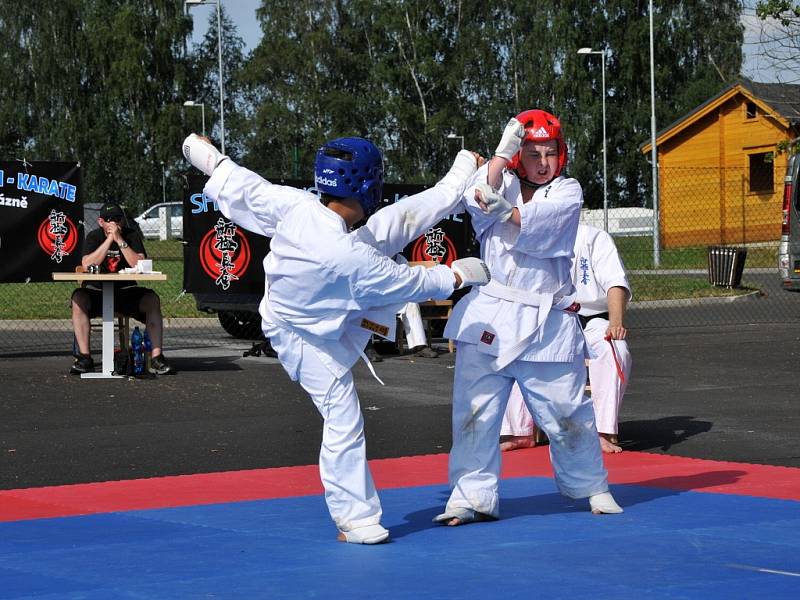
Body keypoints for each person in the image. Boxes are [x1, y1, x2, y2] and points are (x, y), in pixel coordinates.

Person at [182, 133, 490, 545]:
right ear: (368, 184)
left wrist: (205, 154)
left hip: (323, 314)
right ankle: (356, 520)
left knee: (392, 224)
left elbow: (241, 184)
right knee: (343, 416)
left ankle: (459, 173)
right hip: (300, 338)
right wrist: (459, 274)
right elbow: (410, 281)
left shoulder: (299, 207)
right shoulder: (348, 256)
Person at [435, 109, 623, 526]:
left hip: (546, 322)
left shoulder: (568, 191)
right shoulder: (504, 181)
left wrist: (506, 210)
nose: (542, 161)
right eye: (532, 152)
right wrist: (501, 155)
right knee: (474, 413)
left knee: (569, 413)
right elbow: (477, 197)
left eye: (550, 151)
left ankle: (592, 485)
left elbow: (529, 223)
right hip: (491, 316)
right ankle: (471, 497)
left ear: (562, 153)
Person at [501, 223, 632, 453]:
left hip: (590, 322)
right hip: (547, 323)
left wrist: (616, 322)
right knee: (511, 348)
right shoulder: (531, 240)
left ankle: (603, 431)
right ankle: (519, 431)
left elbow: (615, 282)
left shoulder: (593, 238)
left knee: (615, 349)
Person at [70, 203, 172, 375]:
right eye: (110, 220)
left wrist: (120, 241)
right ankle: (85, 357)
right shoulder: (94, 237)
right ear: (101, 222)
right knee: (78, 298)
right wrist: (109, 240)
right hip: (98, 292)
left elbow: (139, 264)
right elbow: (87, 264)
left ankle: (157, 357)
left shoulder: (131, 236)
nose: (115, 223)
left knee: (152, 300)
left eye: (119, 219)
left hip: (126, 291)